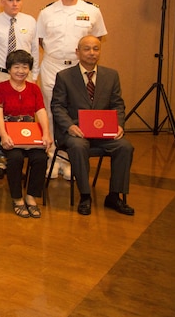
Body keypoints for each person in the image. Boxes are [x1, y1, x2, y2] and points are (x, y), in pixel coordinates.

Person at [51, 35, 134, 216]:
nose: (91, 53)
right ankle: (85, 195)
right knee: (78, 146)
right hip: (76, 132)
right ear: (78, 52)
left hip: (102, 133)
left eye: (96, 49)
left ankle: (114, 196)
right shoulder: (64, 77)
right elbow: (57, 106)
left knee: (125, 147)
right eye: (87, 49)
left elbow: (117, 104)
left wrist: (119, 125)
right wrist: (69, 126)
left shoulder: (111, 76)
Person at [36, 0, 107, 179]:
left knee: (75, 113)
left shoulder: (92, 11)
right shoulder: (47, 12)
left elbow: (96, 41)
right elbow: (40, 40)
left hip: (79, 68)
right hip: (53, 66)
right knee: (49, 112)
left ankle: (70, 160)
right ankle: (51, 158)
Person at [0, 0, 39, 179]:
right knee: (0, 120)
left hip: (24, 76)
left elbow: (35, 52)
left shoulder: (30, 21)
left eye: (18, 0)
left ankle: (19, 158)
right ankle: (0, 163)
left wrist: (34, 76)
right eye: (10, 0)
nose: (15, 4)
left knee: (23, 117)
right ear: (2, 1)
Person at [0, 50, 52, 218]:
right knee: (15, 157)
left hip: (28, 136)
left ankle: (31, 197)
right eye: (16, 67)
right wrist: (4, 136)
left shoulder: (34, 89)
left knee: (40, 157)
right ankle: (17, 198)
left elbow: (41, 112)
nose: (21, 71)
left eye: (25, 67)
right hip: (4, 135)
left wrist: (46, 134)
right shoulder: (0, 88)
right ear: (9, 69)